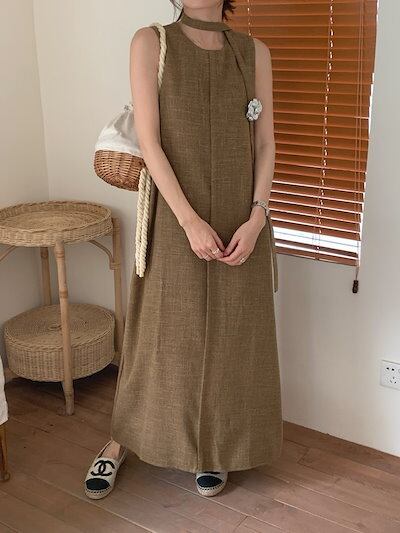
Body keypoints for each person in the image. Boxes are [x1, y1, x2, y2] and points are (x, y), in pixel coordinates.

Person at [84, 0, 282, 500]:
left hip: (242, 222)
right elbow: (149, 142)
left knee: (234, 338)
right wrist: (189, 221)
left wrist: (257, 218)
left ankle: (213, 449)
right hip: (175, 218)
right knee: (161, 337)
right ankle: (121, 439)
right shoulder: (152, 42)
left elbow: (264, 143)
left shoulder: (253, 53)